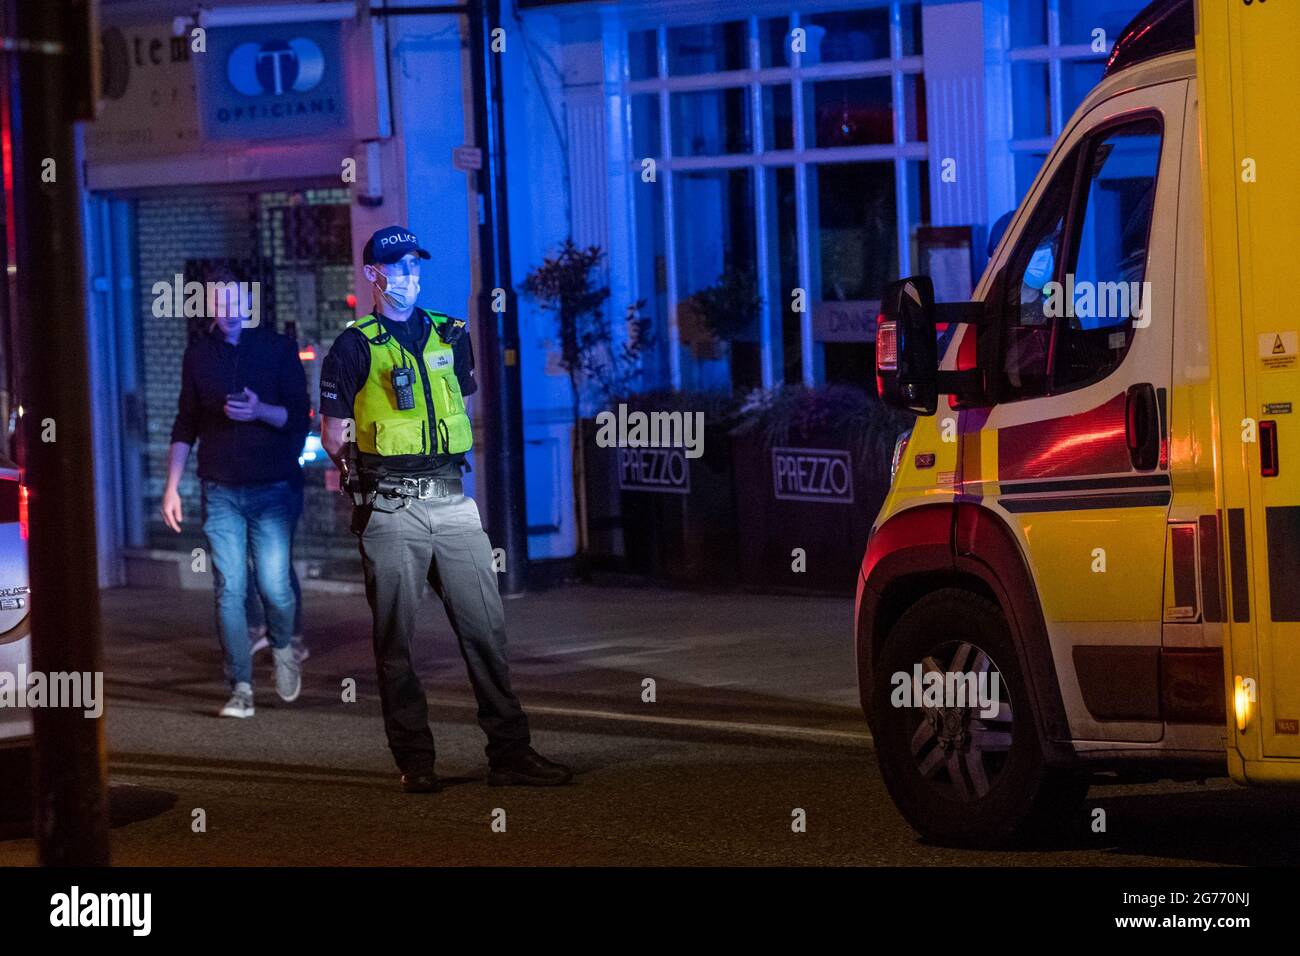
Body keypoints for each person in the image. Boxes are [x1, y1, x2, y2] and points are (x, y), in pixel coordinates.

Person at [318, 225, 571, 793]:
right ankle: (416, 761)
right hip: (390, 508)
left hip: (452, 501)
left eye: (415, 265)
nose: (410, 276)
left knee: (486, 632)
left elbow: (458, 399)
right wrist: (365, 470)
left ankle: (510, 754)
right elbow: (333, 433)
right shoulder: (354, 345)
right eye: (398, 267)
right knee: (396, 642)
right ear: (374, 276)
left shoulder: (451, 333)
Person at [162, 262, 311, 718]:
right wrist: (172, 487)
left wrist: (259, 410)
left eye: (234, 302)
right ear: (208, 305)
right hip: (219, 488)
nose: (227, 311)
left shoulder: (278, 349)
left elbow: (297, 417)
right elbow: (185, 422)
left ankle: (284, 645)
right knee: (229, 587)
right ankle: (241, 688)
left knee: (274, 585)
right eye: (218, 303)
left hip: (272, 486)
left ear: (249, 303)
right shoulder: (199, 354)